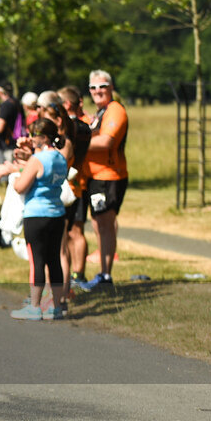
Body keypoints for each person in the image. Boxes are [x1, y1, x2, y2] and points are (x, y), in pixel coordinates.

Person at [9, 117, 68, 321]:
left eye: (34, 135)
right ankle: (57, 306)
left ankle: (34, 307)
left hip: (36, 214)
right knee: (54, 260)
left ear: (43, 137)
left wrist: (16, 174)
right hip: (57, 213)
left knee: (37, 261)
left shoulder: (38, 159)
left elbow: (21, 186)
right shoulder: (61, 158)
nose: (31, 139)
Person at [79, 70, 128, 292]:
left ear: (111, 87)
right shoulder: (100, 112)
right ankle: (102, 272)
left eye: (102, 86)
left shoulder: (115, 110)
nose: (98, 91)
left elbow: (107, 141)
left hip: (109, 176)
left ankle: (106, 275)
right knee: (99, 225)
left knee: (105, 225)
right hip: (95, 176)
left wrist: (75, 146)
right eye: (93, 87)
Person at [59, 85, 93, 286]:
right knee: (68, 234)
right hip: (72, 186)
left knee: (75, 232)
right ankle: (70, 276)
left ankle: (78, 276)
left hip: (75, 186)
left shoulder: (76, 127)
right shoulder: (77, 126)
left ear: (66, 104)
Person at [0, 81, 22, 165]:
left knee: (6, 174)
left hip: (8, 145)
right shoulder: (17, 102)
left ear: (0, 91)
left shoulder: (6, 105)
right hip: (18, 142)